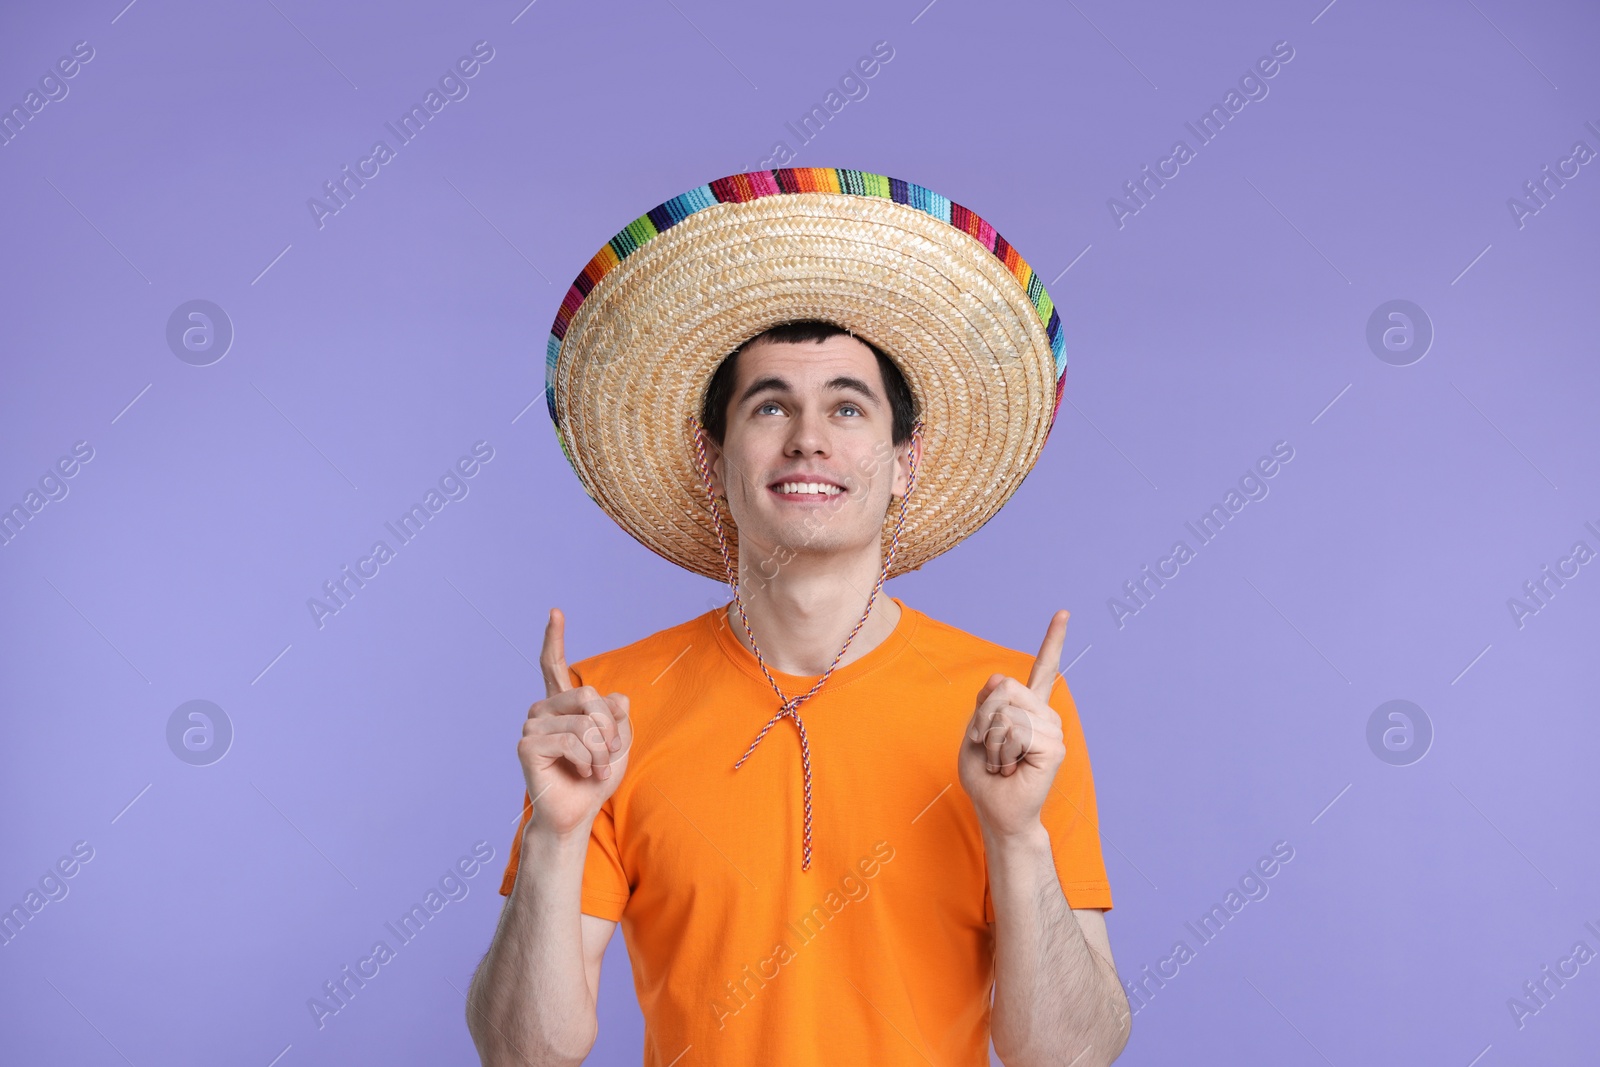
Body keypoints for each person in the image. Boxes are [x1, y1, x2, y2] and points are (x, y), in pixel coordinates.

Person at [466, 168, 1129, 1066]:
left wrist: (1016, 836)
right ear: (716, 460)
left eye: (848, 407)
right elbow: (524, 1054)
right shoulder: (606, 708)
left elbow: (1072, 1056)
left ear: (904, 461)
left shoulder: (1012, 713)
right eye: (770, 404)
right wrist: (554, 835)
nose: (808, 438)